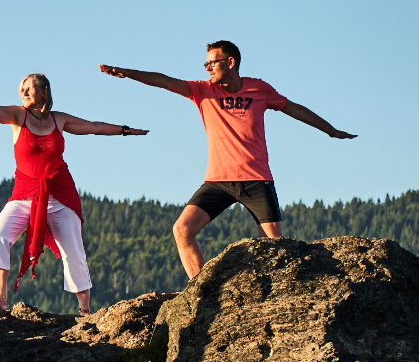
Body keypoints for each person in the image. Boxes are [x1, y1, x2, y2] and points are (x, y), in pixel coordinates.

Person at [99, 41, 356, 279]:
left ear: (230, 62)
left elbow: (295, 109)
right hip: (218, 182)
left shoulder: (260, 89)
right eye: (205, 64)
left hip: (257, 180)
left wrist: (330, 130)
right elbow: (165, 81)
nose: (208, 68)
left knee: (276, 247)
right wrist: (128, 73)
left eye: (213, 62)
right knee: (182, 230)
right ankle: (198, 292)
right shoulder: (202, 90)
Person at [0, 74, 150, 315]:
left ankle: (85, 311)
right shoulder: (18, 116)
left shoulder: (60, 119)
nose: (23, 92)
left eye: (29, 88)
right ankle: (0, 297)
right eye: (21, 88)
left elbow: (95, 127)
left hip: (60, 194)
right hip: (25, 194)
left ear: (44, 92)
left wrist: (125, 130)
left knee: (74, 251)